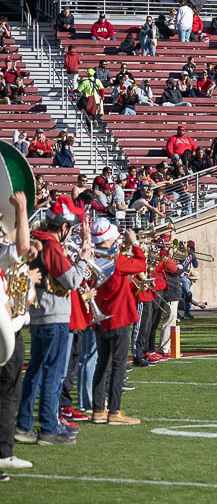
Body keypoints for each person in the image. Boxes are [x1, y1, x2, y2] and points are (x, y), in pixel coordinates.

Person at [16, 198, 90, 446]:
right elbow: (71, 281)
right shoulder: (51, 246)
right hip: (53, 315)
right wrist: (83, 260)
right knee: (52, 373)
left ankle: (24, 425)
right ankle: (48, 427)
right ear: (63, 226)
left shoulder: (40, 241)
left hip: (40, 316)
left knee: (36, 372)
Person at [87, 218, 145, 425]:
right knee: (118, 364)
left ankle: (98, 410)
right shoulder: (116, 260)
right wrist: (135, 244)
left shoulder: (91, 257)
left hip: (100, 317)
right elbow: (140, 264)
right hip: (119, 317)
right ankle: (114, 411)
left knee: (102, 364)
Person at [0, 192, 37, 473]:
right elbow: (20, 246)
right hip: (5, 329)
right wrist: (22, 209)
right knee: (8, 392)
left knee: (11, 390)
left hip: (11, 324)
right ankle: (3, 451)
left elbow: (18, 244)